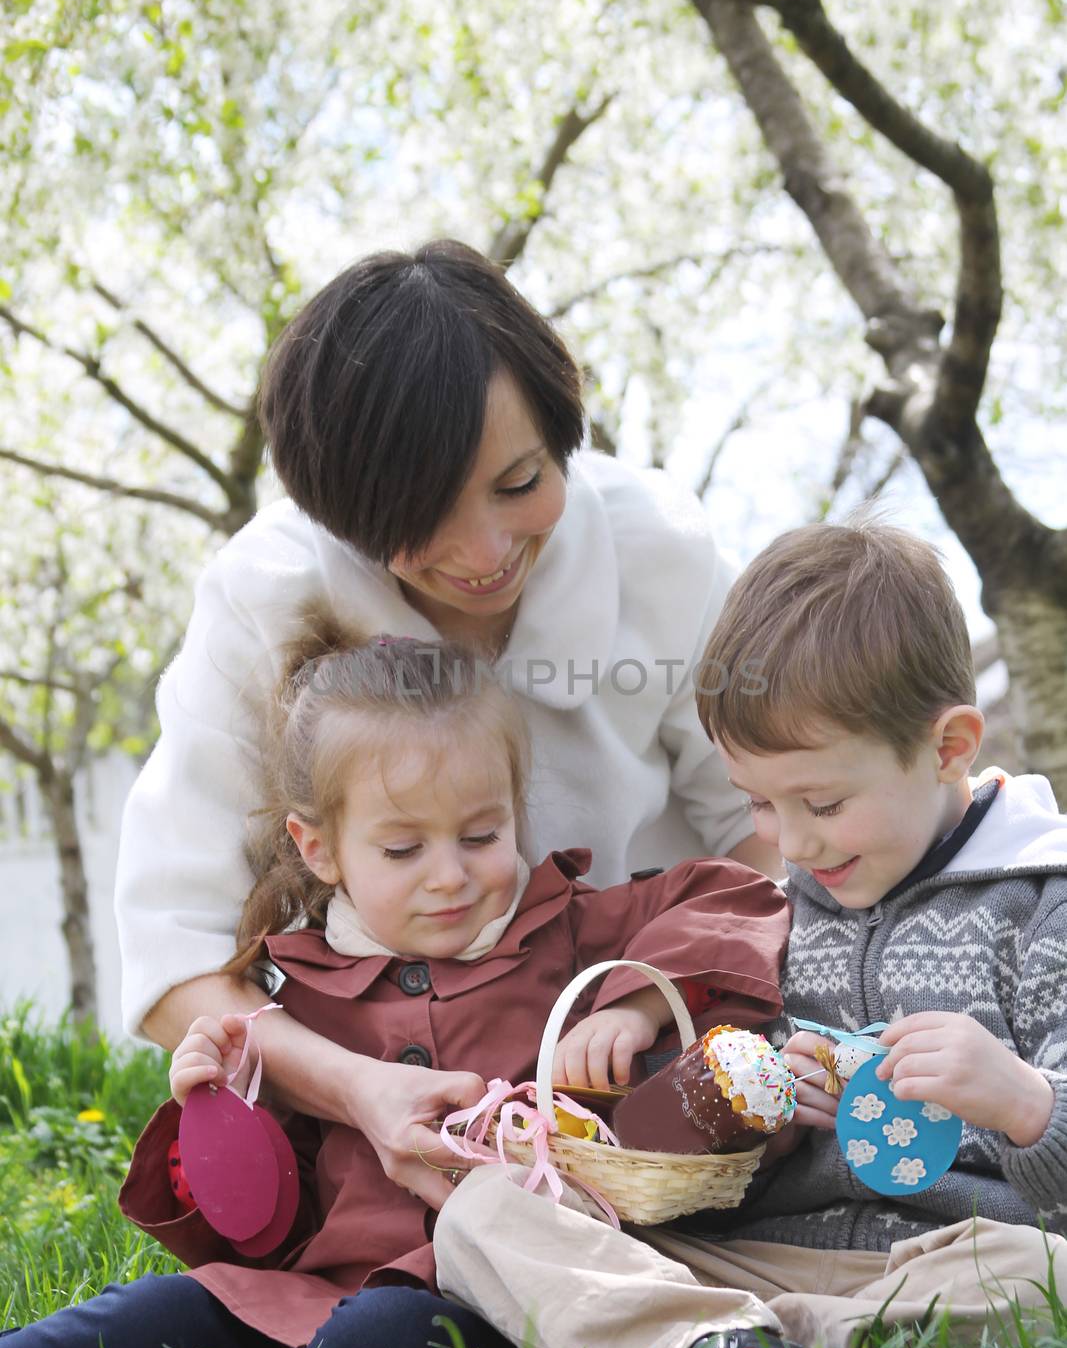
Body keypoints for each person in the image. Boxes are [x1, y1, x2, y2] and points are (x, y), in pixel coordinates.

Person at [0, 627, 790, 1348]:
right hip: (293, 1290)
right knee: (138, 1322)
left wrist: (629, 1007)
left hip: (476, 1299)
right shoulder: (297, 994)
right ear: (320, 849)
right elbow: (261, 1224)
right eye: (403, 849)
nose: (448, 875)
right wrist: (219, 1111)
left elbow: (735, 895)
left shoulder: (571, 931)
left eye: (481, 836)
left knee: (386, 1346)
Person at [115, 240, 777, 1225]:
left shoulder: (655, 556)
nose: (482, 554)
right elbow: (174, 947)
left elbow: (766, 831)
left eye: (518, 484)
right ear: (338, 513)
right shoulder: (267, 594)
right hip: (376, 1102)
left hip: (629, 1085)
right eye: (421, 517)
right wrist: (353, 1088)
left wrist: (647, 1003)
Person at [434, 519, 1067, 1348]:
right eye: (758, 804)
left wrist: (1021, 1101)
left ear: (949, 746)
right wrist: (747, 1118)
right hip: (758, 1250)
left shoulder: (1042, 906)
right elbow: (708, 1153)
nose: (791, 841)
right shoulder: (778, 909)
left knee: (1045, 1277)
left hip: (950, 1261)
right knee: (484, 1213)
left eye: (822, 803)